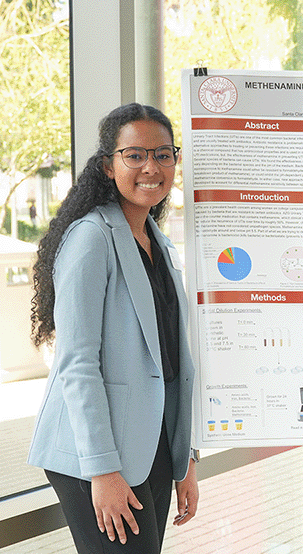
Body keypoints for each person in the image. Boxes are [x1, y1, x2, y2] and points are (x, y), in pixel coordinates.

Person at [28, 103, 199, 553]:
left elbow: (171, 360)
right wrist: (101, 470)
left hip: (151, 446)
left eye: (164, 154)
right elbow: (77, 365)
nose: (151, 167)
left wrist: (184, 459)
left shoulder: (159, 242)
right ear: (108, 165)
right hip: (97, 455)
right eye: (135, 155)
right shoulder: (90, 238)